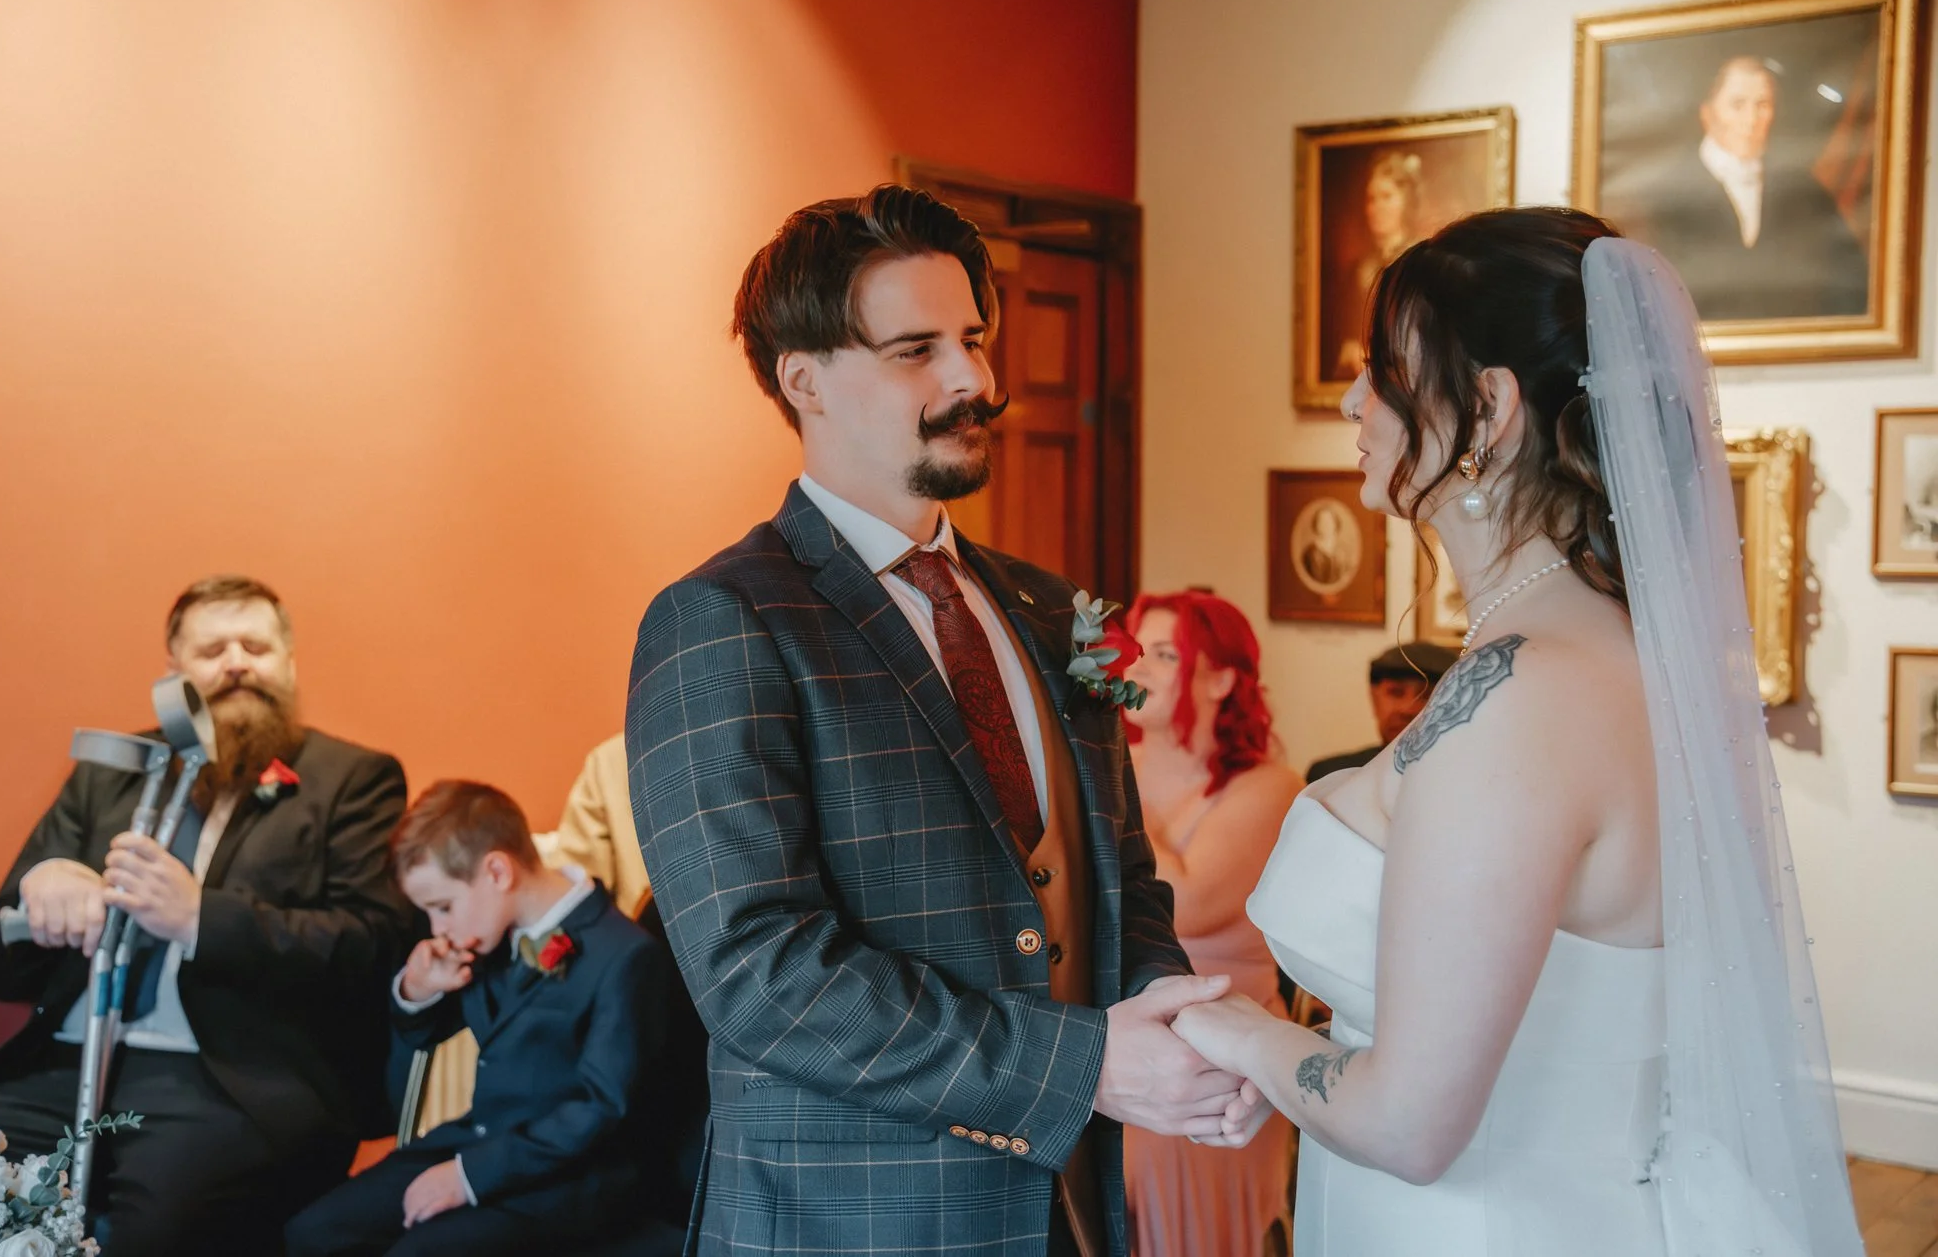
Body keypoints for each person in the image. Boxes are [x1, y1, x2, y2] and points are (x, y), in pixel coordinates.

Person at [1162, 208, 1863, 1254]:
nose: (1353, 401)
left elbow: (1407, 1124)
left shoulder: (1518, 695)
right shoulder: (1622, 659)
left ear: (1487, 406)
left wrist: (1250, 1040)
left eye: (1382, 367)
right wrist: (1310, 1071)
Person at [625, 184, 1261, 1257]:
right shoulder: (717, 619)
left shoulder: (1065, 611)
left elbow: (1121, 874)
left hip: (1065, 1206)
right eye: (915, 349)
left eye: (971, 338)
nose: (974, 380)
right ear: (804, 380)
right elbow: (758, 973)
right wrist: (1085, 1064)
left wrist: (1186, 1024)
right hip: (848, 1222)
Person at [0, 576, 419, 1257]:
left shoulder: (351, 778)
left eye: (255, 645)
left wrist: (202, 916)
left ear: (288, 664)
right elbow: (0, 965)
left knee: (158, 1235)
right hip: (67, 1061)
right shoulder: (110, 772)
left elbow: (376, 943)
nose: (236, 661)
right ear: (174, 672)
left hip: (230, 1080)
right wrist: (41, 889)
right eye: (212, 648)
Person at [285, 779, 667, 1257]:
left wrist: (470, 1176)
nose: (438, 929)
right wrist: (417, 992)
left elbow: (602, 1107)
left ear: (497, 871)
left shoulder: (625, 957)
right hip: (473, 1139)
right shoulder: (489, 940)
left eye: (442, 907)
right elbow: (417, 1054)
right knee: (315, 1232)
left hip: (568, 1177)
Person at [1117, 590, 1303, 1256]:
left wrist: (1107, 775)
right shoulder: (1113, 764)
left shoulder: (1270, 786)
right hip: (1116, 1049)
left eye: (1166, 653)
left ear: (1221, 678)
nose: (1139, 664)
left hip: (1226, 1068)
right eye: (1138, 647)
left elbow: (1184, 903)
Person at [1621, 55, 1867, 322]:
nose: (1751, 119)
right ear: (1708, 113)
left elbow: (1848, 284)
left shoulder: (1808, 195)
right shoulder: (1661, 197)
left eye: (1762, 104)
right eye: (1737, 105)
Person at [1304, 641, 1460, 782]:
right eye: (1396, 692)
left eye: (1427, 695)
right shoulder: (1330, 779)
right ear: (1374, 699)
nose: (1407, 709)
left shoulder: (1468, 780)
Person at [1329, 151, 1424, 382]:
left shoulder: (1421, 264)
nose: (1377, 207)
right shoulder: (1357, 270)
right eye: (1372, 199)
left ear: (1406, 201)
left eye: (1387, 196)